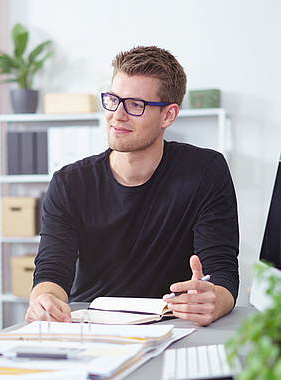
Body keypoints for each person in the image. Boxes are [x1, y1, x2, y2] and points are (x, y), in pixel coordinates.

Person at [26, 46, 239, 327]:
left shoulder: (205, 171)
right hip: (92, 325)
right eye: (113, 99)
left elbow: (222, 272)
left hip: (174, 324)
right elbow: (52, 270)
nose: (117, 115)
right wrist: (45, 299)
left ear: (168, 116)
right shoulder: (69, 183)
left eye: (135, 105)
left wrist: (213, 301)